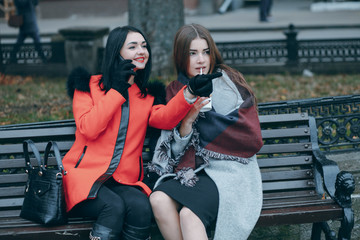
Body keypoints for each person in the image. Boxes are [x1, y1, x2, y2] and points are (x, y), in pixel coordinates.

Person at [62, 25, 212, 240]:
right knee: (112, 207)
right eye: (132, 47)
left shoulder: (146, 95)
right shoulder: (88, 86)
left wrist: (190, 92)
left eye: (144, 46)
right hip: (84, 177)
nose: (141, 51)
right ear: (117, 53)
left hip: (123, 181)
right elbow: (89, 129)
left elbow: (165, 119)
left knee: (141, 207)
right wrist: (117, 90)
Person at [147, 23, 264, 240]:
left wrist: (208, 115)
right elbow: (172, 153)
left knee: (189, 215)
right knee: (158, 200)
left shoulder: (227, 81)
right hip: (195, 171)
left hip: (232, 170)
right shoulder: (176, 91)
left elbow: (249, 136)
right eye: (193, 53)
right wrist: (188, 121)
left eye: (205, 52)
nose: (201, 60)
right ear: (181, 57)